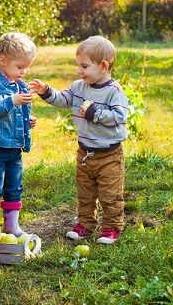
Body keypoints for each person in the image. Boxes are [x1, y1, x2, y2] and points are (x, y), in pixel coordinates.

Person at [30, 35, 129, 244]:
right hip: (84, 153)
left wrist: (96, 113)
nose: (79, 71)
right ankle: (85, 224)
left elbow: (120, 117)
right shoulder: (78, 87)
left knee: (110, 194)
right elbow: (63, 99)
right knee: (85, 192)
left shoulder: (114, 91)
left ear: (103, 66)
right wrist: (46, 92)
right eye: (79, 65)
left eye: (84, 66)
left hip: (109, 154)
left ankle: (112, 227)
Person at [0, 33, 38, 236]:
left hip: (14, 147)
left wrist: (26, 121)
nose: (24, 71)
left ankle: (12, 225)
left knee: (14, 186)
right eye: (20, 67)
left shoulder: (20, 85)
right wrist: (12, 101)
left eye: (26, 67)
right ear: (3, 61)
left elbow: (14, 115)